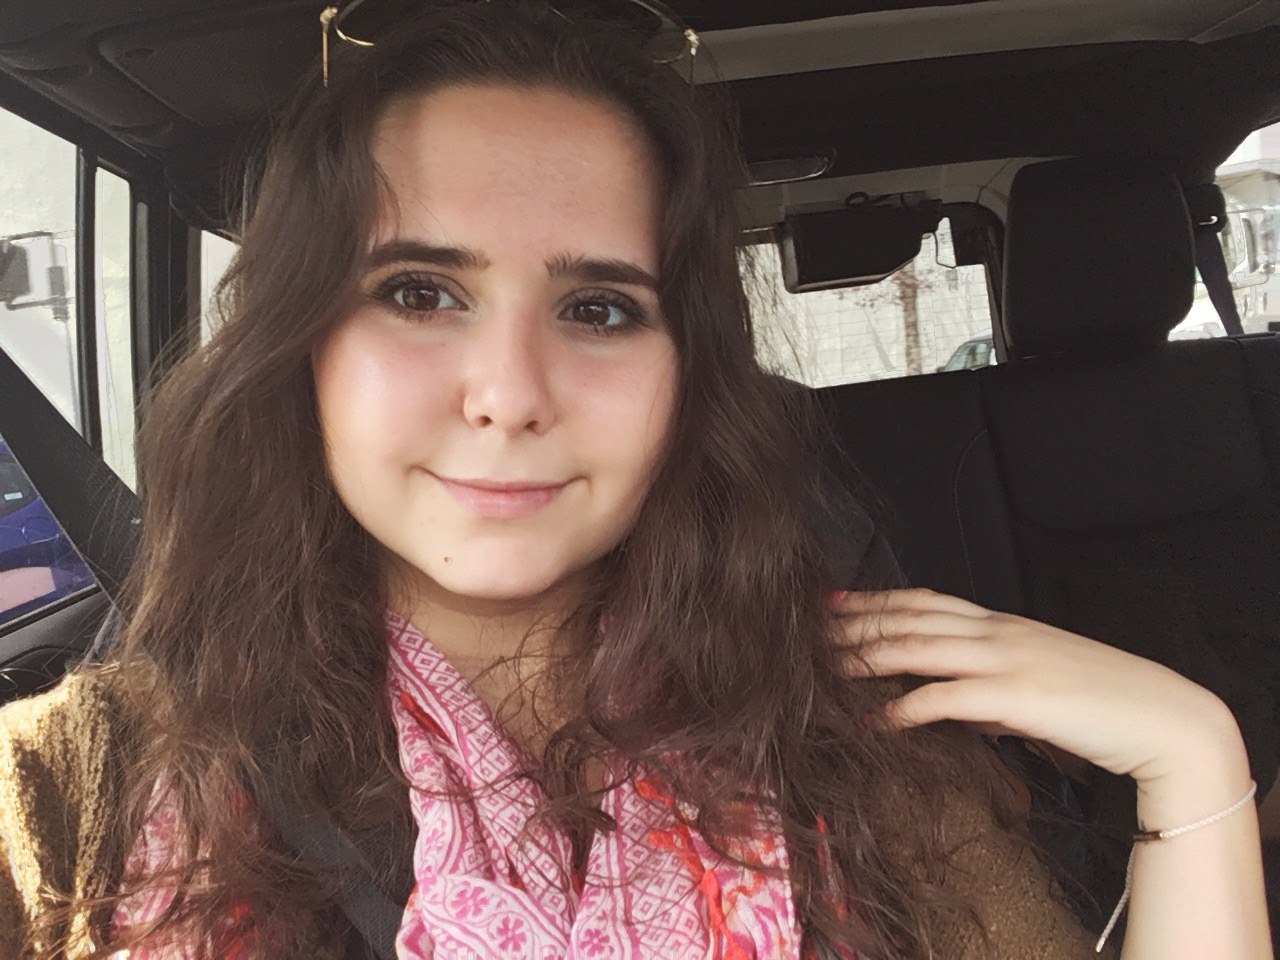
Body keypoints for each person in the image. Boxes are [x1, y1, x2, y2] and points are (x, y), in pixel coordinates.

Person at [0, 2, 1270, 958]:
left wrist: (1192, 760)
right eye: (419, 292)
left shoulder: (860, 748)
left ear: (687, 381)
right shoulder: (76, 797)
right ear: (301, 348)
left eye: (599, 308)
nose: (508, 393)